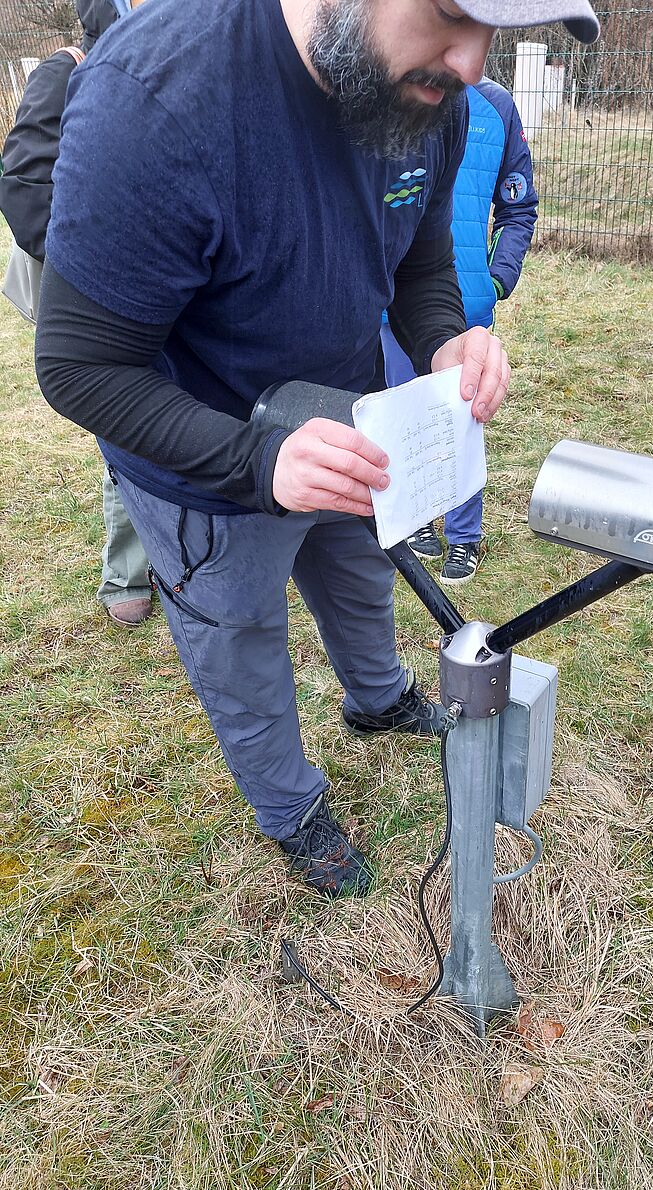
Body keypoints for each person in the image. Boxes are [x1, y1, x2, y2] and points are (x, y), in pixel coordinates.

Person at [34, 0, 600, 897]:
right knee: (242, 641)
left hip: (347, 418)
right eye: (451, 14)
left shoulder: (432, 97)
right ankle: (291, 808)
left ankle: (378, 698)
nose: (471, 62)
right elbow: (80, 366)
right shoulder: (160, 98)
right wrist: (258, 463)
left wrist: (443, 341)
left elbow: (416, 263)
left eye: (498, 33)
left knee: (364, 574)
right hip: (209, 464)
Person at [0, 0, 154, 628]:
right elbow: (25, 187)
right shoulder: (65, 72)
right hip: (96, 295)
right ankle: (127, 575)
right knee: (125, 423)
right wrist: (95, 266)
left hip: (160, 284)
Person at [380, 76, 537, 586]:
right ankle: (418, 519)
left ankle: (465, 534)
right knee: (403, 413)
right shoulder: (389, 93)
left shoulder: (496, 108)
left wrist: (497, 277)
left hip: (466, 305)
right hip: (394, 303)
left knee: (465, 416)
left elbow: (519, 206)